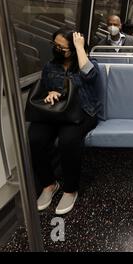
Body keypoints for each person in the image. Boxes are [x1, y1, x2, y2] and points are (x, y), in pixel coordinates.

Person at [29, 29, 101, 215]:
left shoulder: (89, 63)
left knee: (68, 141)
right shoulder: (50, 66)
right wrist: (50, 93)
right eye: (55, 46)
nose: (57, 50)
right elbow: (45, 87)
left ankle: (70, 189)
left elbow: (90, 76)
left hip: (82, 111)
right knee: (35, 137)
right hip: (55, 112)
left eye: (63, 47)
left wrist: (79, 48)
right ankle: (49, 184)